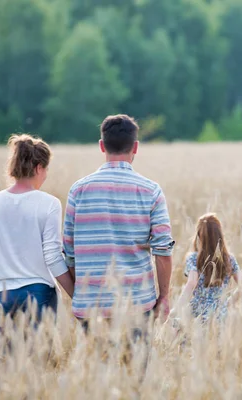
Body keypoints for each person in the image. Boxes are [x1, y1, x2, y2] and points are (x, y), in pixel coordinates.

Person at [62, 114, 174, 346]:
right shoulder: (151, 191)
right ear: (136, 147)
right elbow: (163, 251)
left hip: (91, 307)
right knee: (136, 376)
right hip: (137, 303)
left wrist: (83, 293)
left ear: (102, 145)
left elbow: (69, 252)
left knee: (96, 376)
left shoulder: (78, 190)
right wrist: (163, 296)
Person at [0, 134, 74, 345]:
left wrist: (5, 250)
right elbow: (52, 256)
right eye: (46, 169)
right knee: (35, 366)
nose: (45, 175)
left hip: (1, 295)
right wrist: (76, 294)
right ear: (37, 168)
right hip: (38, 293)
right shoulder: (49, 204)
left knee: (7, 368)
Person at [171, 213, 240, 325]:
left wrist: (175, 310)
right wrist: (227, 303)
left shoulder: (193, 258)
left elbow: (191, 283)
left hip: (197, 314)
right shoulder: (230, 259)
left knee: (177, 329)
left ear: (199, 236)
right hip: (220, 316)